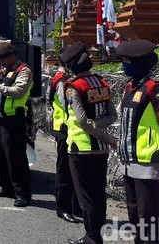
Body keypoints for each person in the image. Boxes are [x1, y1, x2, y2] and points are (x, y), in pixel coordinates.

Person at [115, 40, 159, 244]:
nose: (123, 66)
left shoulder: (157, 90)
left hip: (150, 164)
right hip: (130, 164)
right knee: (136, 219)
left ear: (139, 62)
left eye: (127, 61)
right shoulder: (130, 87)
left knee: (150, 222)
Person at [60, 43, 118, 244]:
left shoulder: (73, 86)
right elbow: (112, 115)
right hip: (101, 150)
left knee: (86, 198)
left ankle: (92, 238)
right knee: (99, 195)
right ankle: (96, 235)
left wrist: (104, 135)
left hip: (80, 148)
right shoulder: (101, 82)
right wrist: (103, 132)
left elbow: (82, 120)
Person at [0, 39, 32, 207]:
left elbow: (18, 92)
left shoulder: (24, 71)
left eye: (2, 58)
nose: (0, 61)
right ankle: (6, 188)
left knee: (16, 157)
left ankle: (22, 193)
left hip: (14, 119)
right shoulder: (3, 69)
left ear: (11, 56)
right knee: (1, 156)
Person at [48, 64, 82, 223]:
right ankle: (63, 208)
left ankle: (76, 206)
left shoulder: (65, 80)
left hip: (71, 129)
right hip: (63, 129)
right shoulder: (61, 82)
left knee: (74, 169)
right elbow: (66, 105)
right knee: (64, 170)